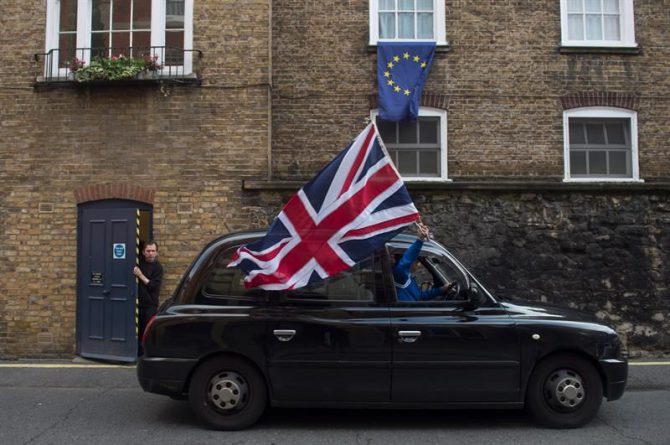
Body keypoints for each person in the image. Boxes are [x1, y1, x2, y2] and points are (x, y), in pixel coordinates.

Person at [393, 222, 456, 302]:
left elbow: (420, 296)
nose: (419, 265)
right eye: (417, 261)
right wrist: (419, 240)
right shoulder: (399, 274)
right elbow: (406, 261)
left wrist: (441, 290)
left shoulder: (408, 277)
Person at [133, 240, 164, 353]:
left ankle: (145, 353)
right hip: (136, 302)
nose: (151, 253)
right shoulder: (139, 263)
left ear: (156, 253)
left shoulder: (158, 268)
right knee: (137, 329)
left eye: (153, 251)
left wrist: (140, 275)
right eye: (148, 251)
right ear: (143, 252)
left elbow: (153, 286)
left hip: (150, 305)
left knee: (147, 330)